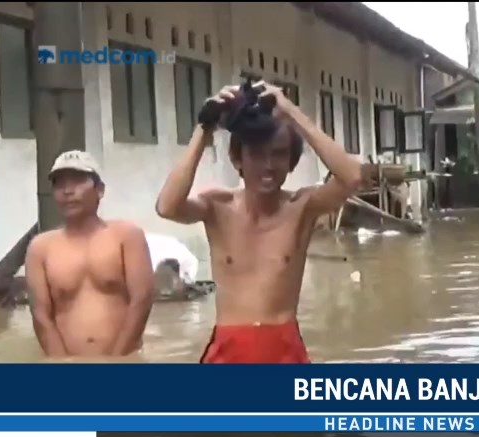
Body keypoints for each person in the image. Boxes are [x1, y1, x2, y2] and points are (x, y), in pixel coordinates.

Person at [155, 81, 363, 363]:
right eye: (256, 154)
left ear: (291, 162)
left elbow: (352, 177)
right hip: (229, 350)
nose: (268, 166)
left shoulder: (302, 207)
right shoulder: (218, 206)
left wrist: (291, 114)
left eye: (278, 154)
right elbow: (167, 206)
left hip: (283, 349)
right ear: (237, 159)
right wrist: (204, 129)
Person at [24, 150, 154, 357]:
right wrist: (63, 365)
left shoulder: (127, 236)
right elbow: (41, 316)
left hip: (124, 360)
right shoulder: (40, 248)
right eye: (59, 184)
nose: (68, 191)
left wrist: (115, 362)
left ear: (100, 190)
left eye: (77, 181)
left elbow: (142, 299)